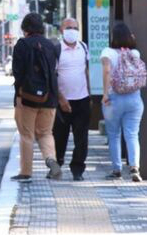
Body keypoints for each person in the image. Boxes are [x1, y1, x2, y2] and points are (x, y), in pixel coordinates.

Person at [11, 13, 62, 182]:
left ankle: (26, 171)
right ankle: (51, 160)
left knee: (26, 134)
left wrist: (19, 93)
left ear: (25, 28)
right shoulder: (52, 46)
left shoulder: (22, 45)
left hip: (27, 98)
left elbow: (17, 73)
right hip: (50, 98)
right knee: (46, 133)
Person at [101, 22, 145, 182]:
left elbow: (106, 71)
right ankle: (134, 168)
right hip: (135, 99)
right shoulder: (135, 53)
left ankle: (117, 169)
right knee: (132, 134)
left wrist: (105, 94)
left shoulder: (107, 52)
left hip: (114, 99)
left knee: (114, 135)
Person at [52, 18, 90, 181]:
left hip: (82, 99)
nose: (72, 30)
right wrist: (61, 99)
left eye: (75, 27)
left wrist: (89, 93)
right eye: (69, 27)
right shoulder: (57, 49)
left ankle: (78, 169)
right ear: (61, 30)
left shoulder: (83, 47)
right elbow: (52, 76)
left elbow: (86, 71)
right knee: (60, 137)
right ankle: (56, 166)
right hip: (62, 101)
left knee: (81, 138)